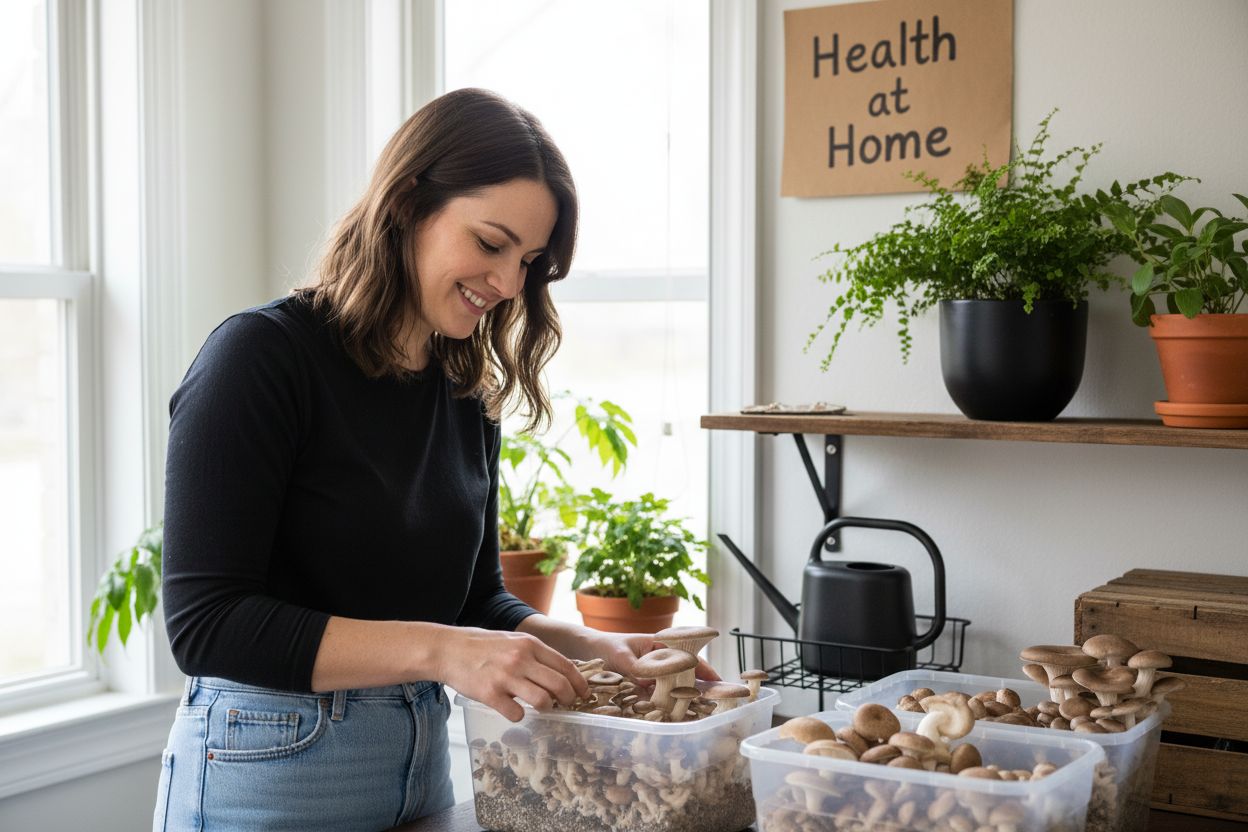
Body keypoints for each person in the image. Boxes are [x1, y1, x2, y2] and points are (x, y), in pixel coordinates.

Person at [154, 88, 715, 832]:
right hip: (267, 762)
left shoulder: (463, 393)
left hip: (420, 761)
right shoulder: (260, 357)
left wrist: (593, 645)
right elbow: (207, 624)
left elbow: (473, 602)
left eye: (530, 260)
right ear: (409, 202)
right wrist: (444, 652)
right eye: (491, 243)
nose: (511, 283)